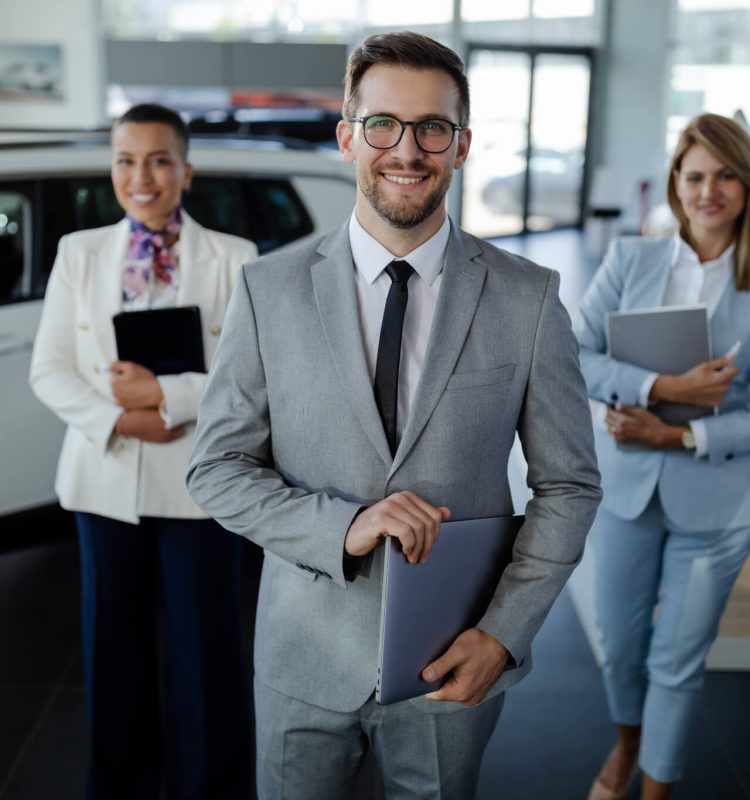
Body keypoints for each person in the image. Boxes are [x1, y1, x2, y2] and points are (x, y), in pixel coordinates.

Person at [187, 31, 601, 800]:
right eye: (383, 124)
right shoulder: (267, 291)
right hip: (302, 659)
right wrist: (343, 526)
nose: (406, 150)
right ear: (347, 136)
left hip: (454, 659)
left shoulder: (529, 298)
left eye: (432, 128)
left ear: (462, 144)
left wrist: (503, 635)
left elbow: (571, 487)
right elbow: (214, 468)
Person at [29, 103, 255, 800]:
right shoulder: (80, 252)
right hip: (105, 485)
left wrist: (167, 398)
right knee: (114, 663)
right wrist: (122, 422)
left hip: (199, 486)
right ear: (112, 170)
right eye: (127, 161)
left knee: (205, 665)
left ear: (186, 170)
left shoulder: (234, 258)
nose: (143, 176)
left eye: (159, 160)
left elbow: (247, 377)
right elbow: (50, 369)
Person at [574, 112, 750, 800]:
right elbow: (575, 352)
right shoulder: (633, 260)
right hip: (627, 490)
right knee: (621, 646)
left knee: (677, 660)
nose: (711, 191)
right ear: (676, 185)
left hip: (719, 498)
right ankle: (626, 745)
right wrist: (660, 388)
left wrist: (679, 433)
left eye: (727, 175)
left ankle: (655, 789)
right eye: (696, 175)